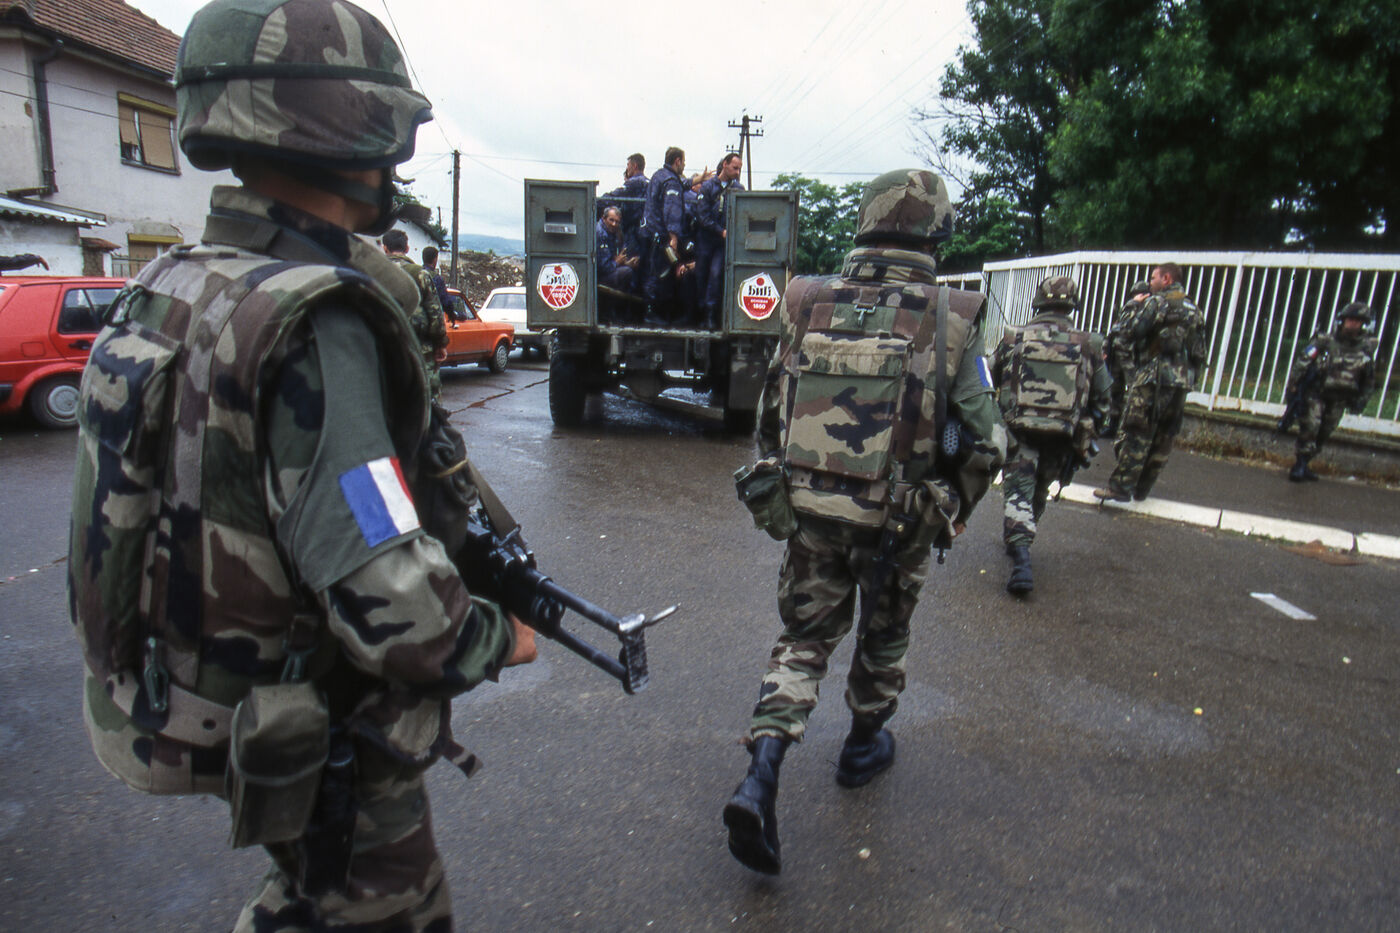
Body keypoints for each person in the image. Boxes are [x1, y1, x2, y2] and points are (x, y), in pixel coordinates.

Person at [67, 1, 536, 929]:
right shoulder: (317, 320)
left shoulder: (177, 279)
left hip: (191, 687)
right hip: (323, 720)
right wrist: (495, 636)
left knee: (310, 899)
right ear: (355, 129)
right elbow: (393, 602)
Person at [723, 168, 1007, 875]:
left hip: (810, 513)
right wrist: (951, 510)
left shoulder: (806, 299)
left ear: (866, 223)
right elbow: (987, 442)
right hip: (898, 522)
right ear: (935, 233)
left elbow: (770, 413)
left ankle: (760, 774)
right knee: (884, 634)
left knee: (802, 640)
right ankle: (861, 747)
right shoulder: (954, 314)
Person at [991, 276, 1109, 595]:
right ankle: (1022, 539)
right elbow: (1103, 397)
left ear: (1038, 302)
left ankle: (1021, 558)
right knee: (1040, 487)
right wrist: (1090, 431)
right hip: (1062, 435)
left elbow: (987, 376)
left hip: (1018, 431)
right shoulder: (1090, 343)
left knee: (1018, 491)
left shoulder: (1014, 336)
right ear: (1072, 306)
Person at [1095, 262, 1206, 502]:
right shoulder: (1194, 309)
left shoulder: (1156, 303)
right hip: (1181, 383)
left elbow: (1130, 331)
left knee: (1137, 431)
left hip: (1152, 379)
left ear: (1166, 279)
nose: (1151, 282)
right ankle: (1142, 489)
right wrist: (1189, 378)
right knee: (1165, 436)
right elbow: (1199, 352)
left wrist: (1132, 306)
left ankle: (1121, 487)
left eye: (1154, 277)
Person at [1285, 301, 1379, 481]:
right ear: (1342, 320)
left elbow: (1368, 378)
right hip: (1317, 393)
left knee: (1325, 431)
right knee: (1311, 427)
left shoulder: (1366, 348)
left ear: (1363, 324)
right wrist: (1293, 387)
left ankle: (1306, 463)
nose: (1352, 323)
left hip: (1340, 398)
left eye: (1357, 321)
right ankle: (1300, 464)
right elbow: (1302, 363)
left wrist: (1362, 400)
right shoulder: (1325, 342)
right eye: (1350, 319)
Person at [383, 228, 447, 398]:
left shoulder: (371, 272)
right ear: (407, 248)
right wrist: (440, 343)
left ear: (385, 248)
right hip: (419, 346)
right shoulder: (420, 274)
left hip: (382, 347)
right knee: (427, 394)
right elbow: (435, 312)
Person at [694, 153, 743, 329]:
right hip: (706, 240)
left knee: (716, 275)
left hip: (722, 244)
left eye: (739, 169)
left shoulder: (738, 189)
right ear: (725, 165)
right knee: (701, 276)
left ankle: (710, 315)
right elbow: (702, 216)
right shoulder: (708, 187)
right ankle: (699, 315)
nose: (737, 172)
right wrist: (720, 230)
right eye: (735, 168)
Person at [639, 146, 687, 322]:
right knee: (658, 274)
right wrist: (673, 238)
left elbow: (683, 184)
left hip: (648, 232)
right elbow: (671, 211)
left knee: (648, 271)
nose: (684, 165)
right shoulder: (671, 182)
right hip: (659, 235)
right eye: (684, 162)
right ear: (677, 161)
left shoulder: (659, 175)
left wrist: (699, 178)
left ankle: (649, 312)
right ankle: (651, 314)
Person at [1105, 279, 1151, 438]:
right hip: (1119, 354)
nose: (1135, 297)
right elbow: (1116, 329)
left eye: (1139, 294)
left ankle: (1129, 429)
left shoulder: (1145, 310)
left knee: (1134, 392)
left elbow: (1132, 328)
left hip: (1132, 357)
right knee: (1115, 390)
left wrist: (1134, 304)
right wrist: (1106, 347)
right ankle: (1113, 425)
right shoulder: (1130, 308)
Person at [601, 152, 648, 255]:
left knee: (630, 259)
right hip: (647, 231)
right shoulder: (650, 183)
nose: (627, 168)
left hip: (633, 231)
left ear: (634, 166)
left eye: (628, 165)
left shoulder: (634, 182)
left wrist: (597, 200)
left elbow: (615, 196)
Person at [596, 205, 637, 292]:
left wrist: (625, 263)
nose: (614, 224)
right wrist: (617, 262)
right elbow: (603, 268)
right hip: (598, 277)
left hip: (609, 269)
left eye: (617, 222)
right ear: (604, 218)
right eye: (611, 220)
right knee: (627, 272)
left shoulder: (614, 232)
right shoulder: (600, 234)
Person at [422, 245, 464, 322]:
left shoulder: (416, 273)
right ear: (435, 259)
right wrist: (451, 314)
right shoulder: (436, 278)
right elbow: (445, 301)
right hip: (431, 319)